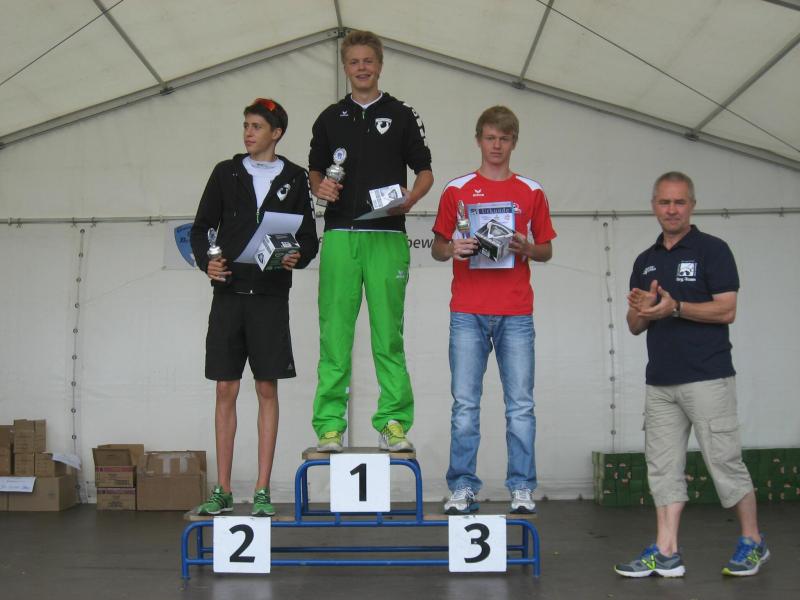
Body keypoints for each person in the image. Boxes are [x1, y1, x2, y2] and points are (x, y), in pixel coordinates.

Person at [615, 171, 768, 577]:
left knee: (725, 463)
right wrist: (645, 308)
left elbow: (727, 309)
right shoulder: (645, 260)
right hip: (660, 382)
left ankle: (753, 541)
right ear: (654, 206)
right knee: (662, 469)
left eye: (679, 202)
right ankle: (666, 551)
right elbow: (634, 325)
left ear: (692, 206)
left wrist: (676, 307)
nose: (672, 210)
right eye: (664, 202)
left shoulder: (712, 250)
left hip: (708, 377)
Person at [190, 98, 318, 516]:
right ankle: (223, 488)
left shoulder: (296, 177)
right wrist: (206, 261)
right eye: (246, 125)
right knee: (224, 388)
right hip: (228, 294)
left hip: (270, 297)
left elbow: (309, 238)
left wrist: (299, 254)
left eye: (257, 126)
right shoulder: (225, 172)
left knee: (267, 388)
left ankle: (263, 489)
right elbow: (201, 228)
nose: (248, 132)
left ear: (276, 133)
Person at [309, 30, 433, 453]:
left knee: (388, 337)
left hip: (386, 235)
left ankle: (393, 423)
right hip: (340, 236)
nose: (361, 68)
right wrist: (320, 187)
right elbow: (315, 170)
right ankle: (330, 426)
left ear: (379, 64)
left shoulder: (402, 114)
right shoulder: (329, 117)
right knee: (334, 336)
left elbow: (425, 170)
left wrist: (412, 198)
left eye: (368, 60)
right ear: (345, 67)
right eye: (354, 61)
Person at [431, 106, 556, 514]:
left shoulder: (532, 191)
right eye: (490, 138)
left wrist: (526, 247)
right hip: (468, 309)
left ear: (514, 142)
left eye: (504, 138)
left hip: (516, 311)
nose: (496, 145)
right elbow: (437, 248)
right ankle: (462, 487)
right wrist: (454, 248)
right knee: (465, 405)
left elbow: (547, 250)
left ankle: (521, 487)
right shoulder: (457, 190)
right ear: (478, 140)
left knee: (520, 405)